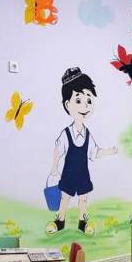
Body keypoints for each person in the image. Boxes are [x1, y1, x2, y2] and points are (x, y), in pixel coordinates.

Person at [45, 67, 116, 236]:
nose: (85, 105)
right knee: (65, 198)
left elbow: (94, 152)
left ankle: (83, 223)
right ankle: (59, 221)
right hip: (69, 174)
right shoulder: (66, 134)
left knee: (83, 199)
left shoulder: (88, 134)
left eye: (89, 100)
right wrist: (54, 168)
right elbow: (58, 149)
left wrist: (109, 151)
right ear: (67, 105)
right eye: (78, 100)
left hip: (83, 174)